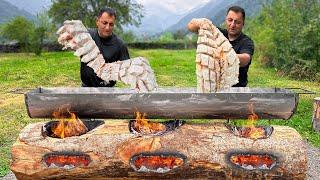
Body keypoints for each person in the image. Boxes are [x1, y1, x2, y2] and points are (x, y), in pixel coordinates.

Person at [81, 7, 130, 87]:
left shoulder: (120, 45)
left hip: (108, 90)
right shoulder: (86, 36)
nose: (107, 28)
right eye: (104, 23)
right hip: (85, 88)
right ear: (97, 21)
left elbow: (127, 70)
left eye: (111, 24)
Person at [218, 6, 254, 87]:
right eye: (230, 20)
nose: (232, 25)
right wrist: (202, 23)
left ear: (243, 24)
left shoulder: (247, 42)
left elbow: (245, 59)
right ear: (225, 20)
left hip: (237, 91)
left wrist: (219, 57)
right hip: (216, 88)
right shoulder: (218, 34)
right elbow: (192, 27)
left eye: (237, 22)